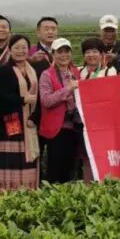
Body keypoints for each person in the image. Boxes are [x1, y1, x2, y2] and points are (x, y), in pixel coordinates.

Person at [0, 35, 41, 193]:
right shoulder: (4, 70)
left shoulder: (32, 70)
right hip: (10, 122)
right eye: (17, 48)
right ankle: (8, 193)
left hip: (29, 123)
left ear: (29, 49)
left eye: (24, 47)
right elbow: (2, 96)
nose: (20, 51)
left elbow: (38, 97)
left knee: (28, 159)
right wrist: (23, 100)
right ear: (10, 50)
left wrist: (34, 117)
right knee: (11, 160)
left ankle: (28, 192)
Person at [38, 38, 84, 183]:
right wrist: (68, 89)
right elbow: (46, 101)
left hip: (74, 127)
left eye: (66, 51)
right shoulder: (46, 75)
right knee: (56, 169)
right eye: (60, 52)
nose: (64, 55)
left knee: (71, 167)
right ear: (53, 54)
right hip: (57, 129)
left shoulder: (76, 72)